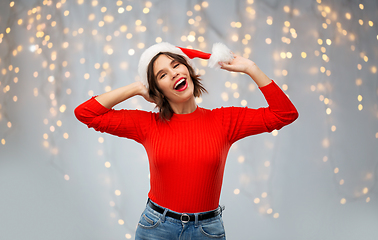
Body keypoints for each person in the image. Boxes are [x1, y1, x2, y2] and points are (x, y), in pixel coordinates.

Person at [74, 42, 299, 239]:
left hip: (206, 231)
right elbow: (86, 113)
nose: (173, 74)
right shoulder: (147, 125)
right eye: (162, 75)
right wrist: (136, 88)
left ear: (188, 71)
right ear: (157, 89)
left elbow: (285, 114)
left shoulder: (225, 121)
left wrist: (251, 68)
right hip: (156, 228)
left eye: (176, 65)